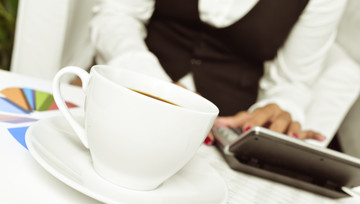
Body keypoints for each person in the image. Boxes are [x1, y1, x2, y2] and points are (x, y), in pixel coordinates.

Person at [90, 0, 360, 145]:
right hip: (126, 98)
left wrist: (278, 109)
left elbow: (293, 81)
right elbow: (116, 15)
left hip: (220, 131)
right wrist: (155, 85)